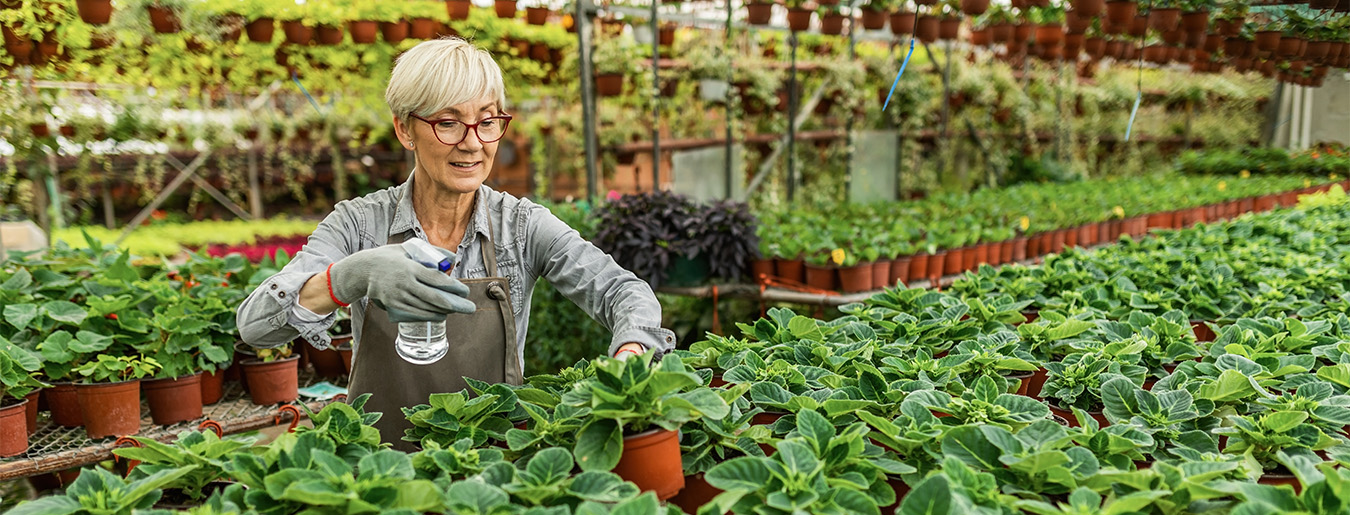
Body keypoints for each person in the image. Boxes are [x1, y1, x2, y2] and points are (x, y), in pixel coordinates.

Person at [235, 37, 675, 450]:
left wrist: (632, 351)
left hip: (492, 464)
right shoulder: (359, 223)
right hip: (380, 470)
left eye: (486, 122)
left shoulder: (520, 227)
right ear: (405, 130)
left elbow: (622, 290)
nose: (472, 144)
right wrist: (349, 276)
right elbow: (257, 327)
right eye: (448, 122)